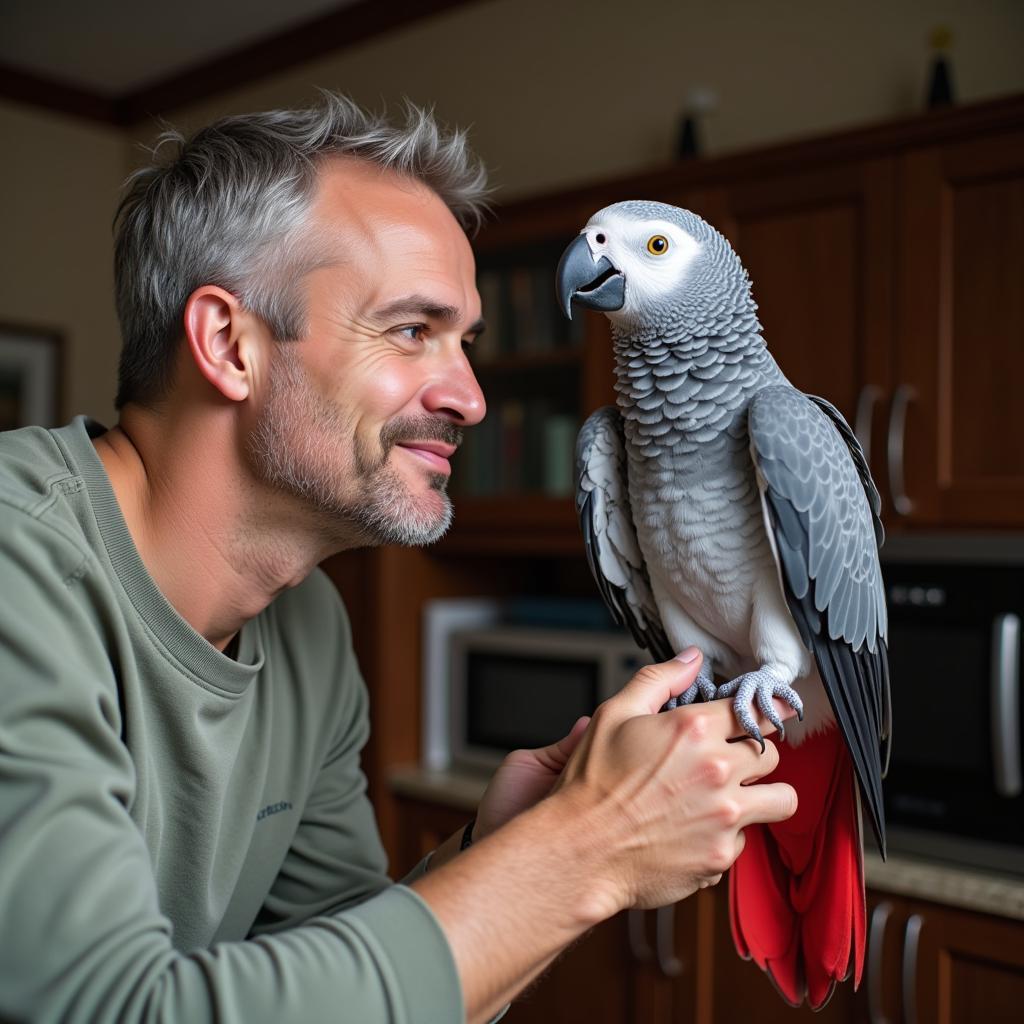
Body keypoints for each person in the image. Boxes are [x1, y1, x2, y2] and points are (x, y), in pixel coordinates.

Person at [0, 94, 798, 1024]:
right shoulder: (20, 560)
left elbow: (331, 964)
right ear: (228, 344)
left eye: (466, 343)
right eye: (413, 330)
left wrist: (503, 849)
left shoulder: (304, 624)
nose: (470, 398)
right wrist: (589, 850)